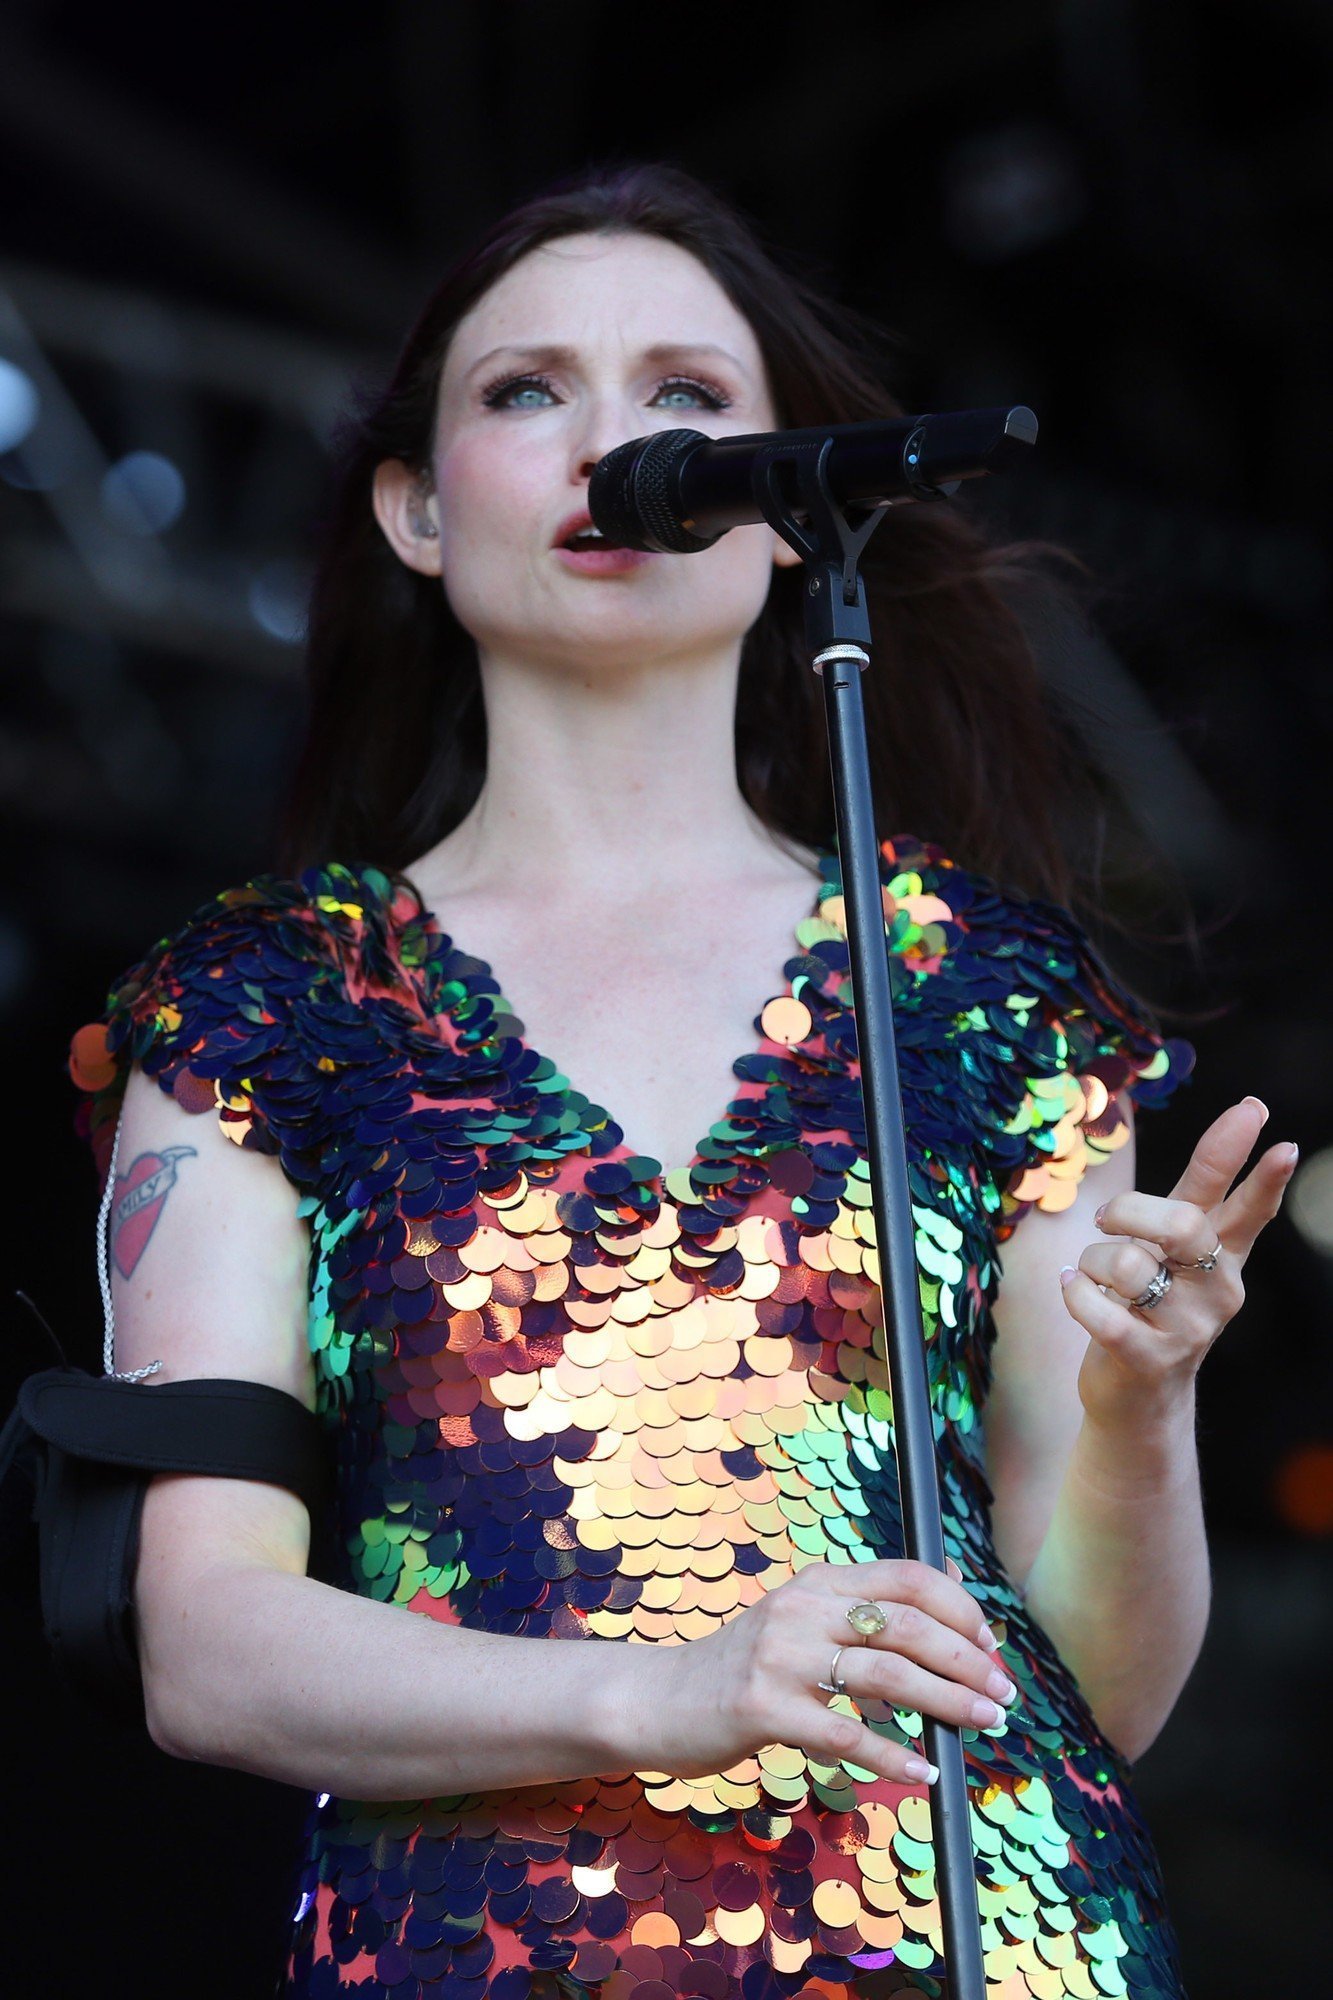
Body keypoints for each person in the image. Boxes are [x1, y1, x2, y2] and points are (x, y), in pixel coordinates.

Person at [68, 162, 1294, 2000]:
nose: (615, 442)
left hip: (992, 1938)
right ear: (414, 507)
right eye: (527, 389)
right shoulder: (276, 998)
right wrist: (678, 1694)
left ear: (792, 512)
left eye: (689, 398)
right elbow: (210, 1649)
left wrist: (1139, 1414)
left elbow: (1094, 1692)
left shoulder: (981, 991)